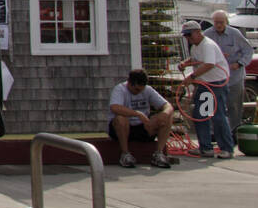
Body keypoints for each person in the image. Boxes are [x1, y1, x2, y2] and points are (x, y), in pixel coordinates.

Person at [178, 20, 234, 158]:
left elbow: (209, 63)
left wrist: (192, 76)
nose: (188, 38)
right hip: (205, 84)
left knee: (218, 116)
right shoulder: (196, 46)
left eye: (189, 35)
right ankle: (206, 147)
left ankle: (226, 148)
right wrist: (186, 62)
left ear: (197, 32)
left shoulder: (207, 45)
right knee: (201, 115)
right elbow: (196, 58)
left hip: (216, 84)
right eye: (186, 36)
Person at [108, 69, 174, 168]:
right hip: (124, 129)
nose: (139, 92)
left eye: (141, 90)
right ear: (130, 83)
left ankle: (158, 154)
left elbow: (168, 106)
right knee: (120, 119)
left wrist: (165, 113)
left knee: (166, 118)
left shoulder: (148, 90)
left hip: (143, 127)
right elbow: (114, 107)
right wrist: (137, 114)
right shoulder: (120, 89)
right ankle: (125, 154)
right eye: (136, 90)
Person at [203, 10, 254, 135]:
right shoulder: (207, 35)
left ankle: (233, 133)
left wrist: (240, 63)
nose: (218, 25)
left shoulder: (235, 34)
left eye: (221, 22)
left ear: (226, 22)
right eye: (216, 22)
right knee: (213, 106)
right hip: (215, 78)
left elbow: (248, 50)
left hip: (234, 77)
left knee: (234, 106)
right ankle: (213, 133)